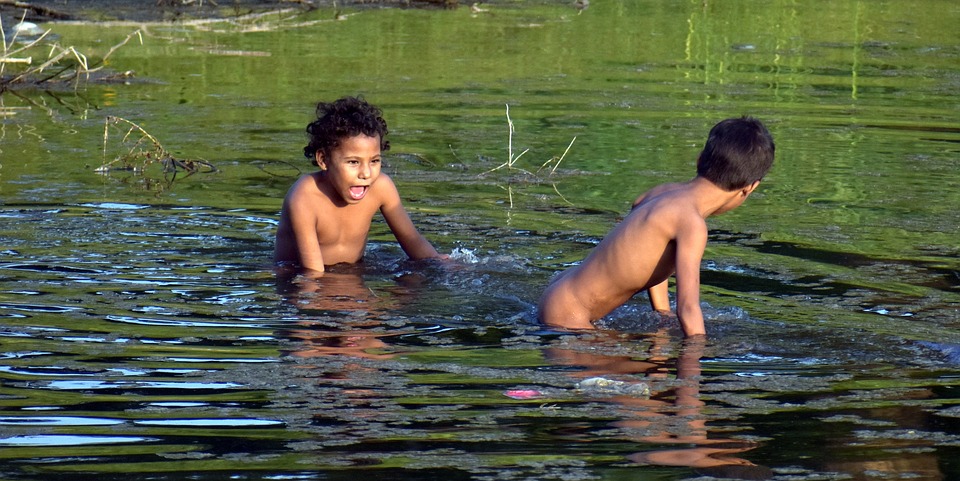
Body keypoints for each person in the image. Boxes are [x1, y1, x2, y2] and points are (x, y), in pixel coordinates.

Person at [538, 116, 775, 337]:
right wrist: (696, 367)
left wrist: (662, 314)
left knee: (650, 369)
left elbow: (652, 255)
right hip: (568, 317)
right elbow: (689, 308)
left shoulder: (661, 193)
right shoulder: (691, 224)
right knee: (645, 374)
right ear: (750, 187)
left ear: (700, 159)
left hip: (560, 296)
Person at [274, 96, 443, 274]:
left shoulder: (381, 187)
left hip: (353, 272)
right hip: (297, 276)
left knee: (414, 282)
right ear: (323, 159)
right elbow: (313, 274)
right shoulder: (305, 196)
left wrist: (444, 266)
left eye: (374, 161)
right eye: (353, 162)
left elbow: (413, 241)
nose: (366, 173)